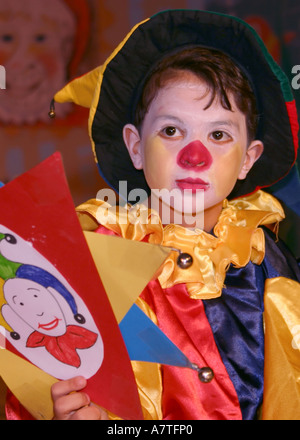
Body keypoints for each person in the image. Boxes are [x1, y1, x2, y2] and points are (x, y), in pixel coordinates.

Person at [10, 9, 300, 420]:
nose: (194, 157)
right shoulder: (84, 265)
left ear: (248, 160)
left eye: (218, 135)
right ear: (134, 146)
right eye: (171, 131)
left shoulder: (273, 265)